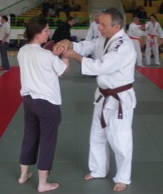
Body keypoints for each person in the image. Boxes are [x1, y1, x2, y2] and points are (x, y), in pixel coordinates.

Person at [53, 7, 137, 192]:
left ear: (116, 27)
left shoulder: (123, 45)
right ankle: (98, 169)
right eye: (99, 23)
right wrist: (70, 43)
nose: (99, 27)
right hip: (102, 95)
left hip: (119, 98)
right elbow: (87, 45)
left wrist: (74, 56)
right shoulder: (104, 38)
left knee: (120, 139)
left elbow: (101, 66)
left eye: (103, 24)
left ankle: (123, 177)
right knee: (97, 135)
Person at [17, 15, 68, 192]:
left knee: (30, 137)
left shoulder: (22, 51)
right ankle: (42, 183)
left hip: (29, 102)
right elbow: (63, 70)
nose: (48, 33)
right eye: (46, 31)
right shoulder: (46, 55)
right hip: (47, 104)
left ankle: (23, 175)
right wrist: (64, 55)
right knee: (47, 141)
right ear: (37, 33)